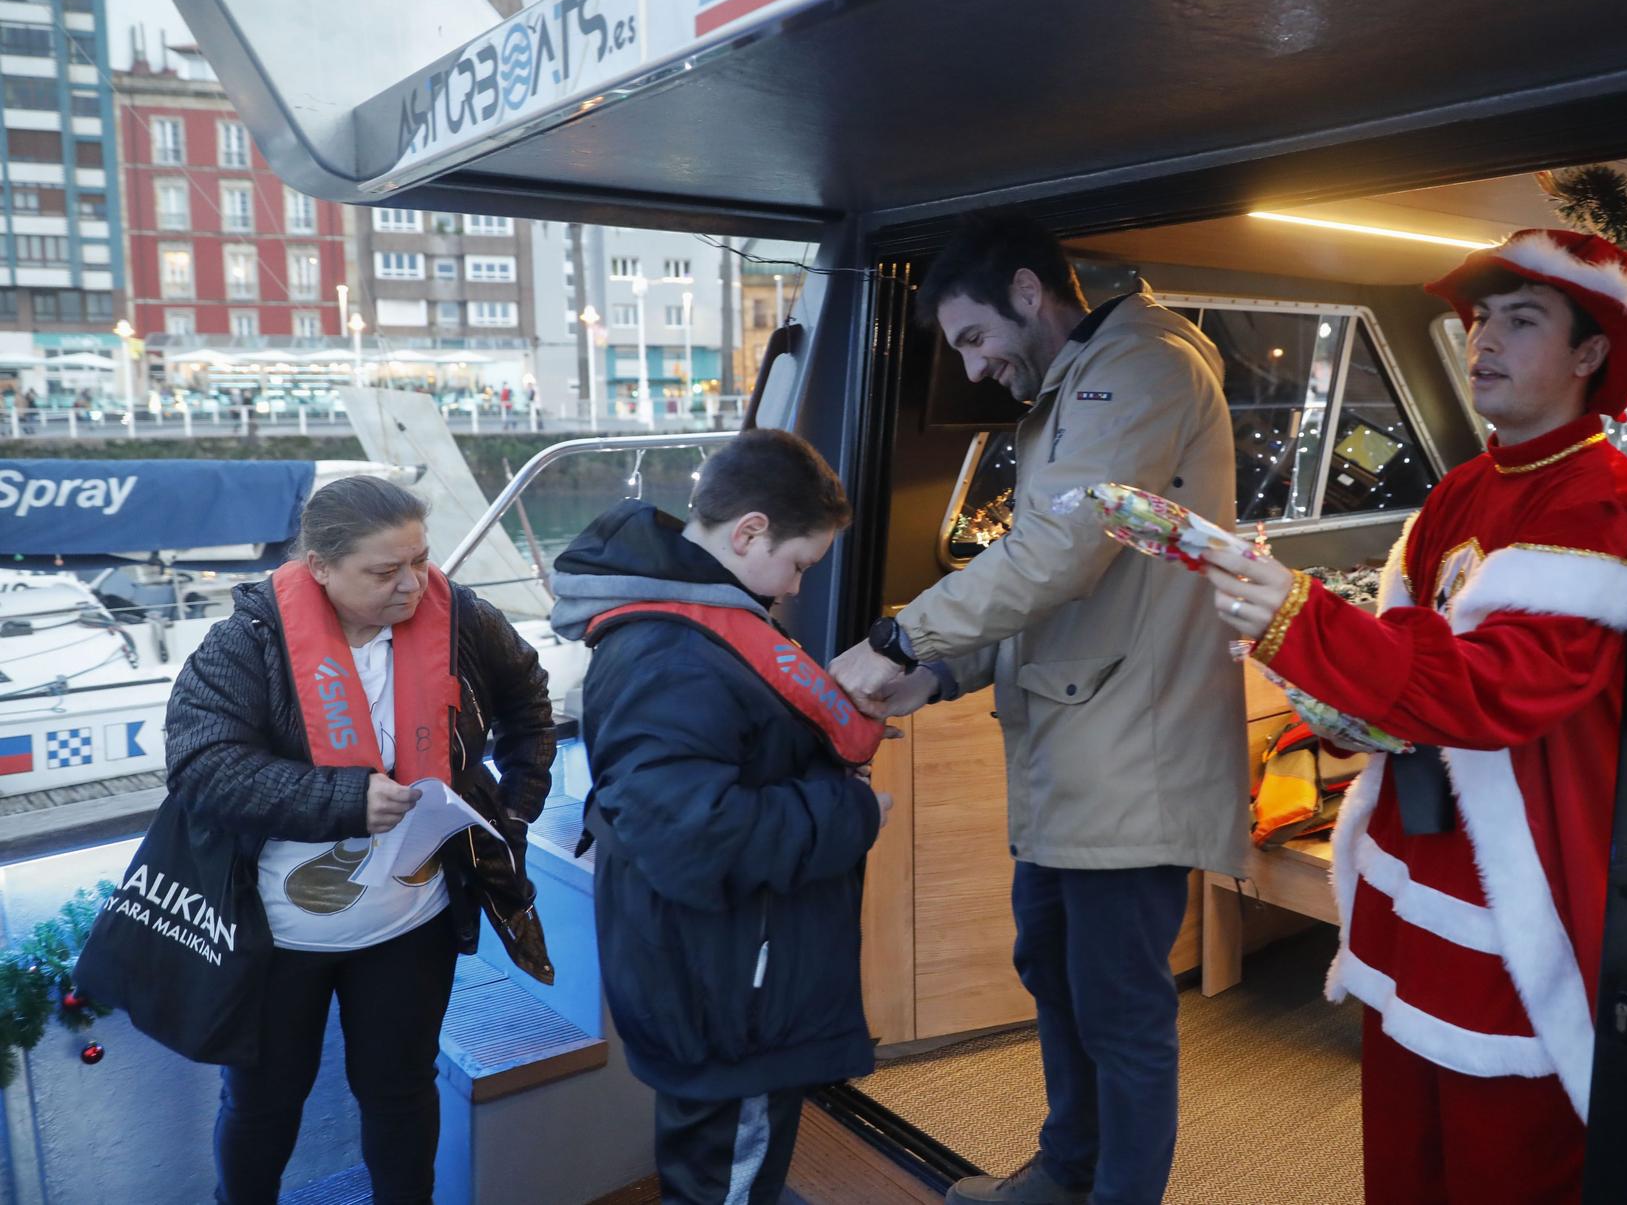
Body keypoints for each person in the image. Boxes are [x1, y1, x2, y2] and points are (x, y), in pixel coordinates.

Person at [1198, 229, 1627, 1204]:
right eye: (1480, 318)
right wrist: (1303, 657)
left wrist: (1296, 615)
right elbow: (1396, 680)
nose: (1482, 338)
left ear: (1589, 354)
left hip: (1511, 895)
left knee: (1503, 1161)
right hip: (1408, 873)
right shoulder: (1459, 490)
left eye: (1519, 320)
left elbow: (1491, 687)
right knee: (1402, 1148)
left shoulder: (1601, 504)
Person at [830, 212, 1247, 1205]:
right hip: (1072, 750)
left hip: (1129, 757)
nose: (971, 368)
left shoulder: (1139, 370)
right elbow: (1063, 588)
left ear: (1027, 292)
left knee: (1119, 1009)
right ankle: (1066, 1172)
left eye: (973, 338)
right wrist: (937, 673)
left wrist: (898, 637)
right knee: (1053, 972)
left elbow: (1059, 554)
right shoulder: (1070, 390)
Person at [164, 476, 555, 1205]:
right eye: (384, 571)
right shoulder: (247, 641)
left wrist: (514, 814)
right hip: (277, 939)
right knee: (261, 1106)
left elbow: (530, 706)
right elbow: (197, 765)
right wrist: (341, 798)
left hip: (411, 923)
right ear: (319, 566)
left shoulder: (461, 618)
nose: (412, 586)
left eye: (420, 561)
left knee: (402, 1093)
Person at [550, 430, 889, 1205]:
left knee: (717, 1167)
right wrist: (854, 807)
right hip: (734, 995)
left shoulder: (692, 621)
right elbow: (692, 836)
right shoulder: (674, 653)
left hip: (720, 974)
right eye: (798, 562)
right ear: (748, 532)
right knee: (727, 1178)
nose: (798, 586)